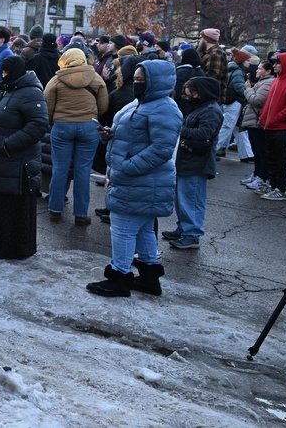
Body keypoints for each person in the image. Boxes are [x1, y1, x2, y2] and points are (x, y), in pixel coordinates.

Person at [87, 61, 181, 297]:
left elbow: (161, 149)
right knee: (143, 230)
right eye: (136, 79)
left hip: (142, 179)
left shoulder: (165, 108)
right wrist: (109, 135)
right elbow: (133, 136)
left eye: (142, 80)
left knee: (123, 230)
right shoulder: (139, 104)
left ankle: (119, 278)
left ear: (156, 82)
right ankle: (149, 278)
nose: (136, 83)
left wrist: (127, 167)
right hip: (137, 179)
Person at [0, 55, 49, 260]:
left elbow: (38, 125)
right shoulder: (5, 90)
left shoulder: (30, 93)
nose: (3, 75)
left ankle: (8, 247)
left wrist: (9, 144)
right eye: (2, 71)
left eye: (7, 72)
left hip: (16, 161)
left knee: (9, 206)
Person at [44, 48, 109, 225]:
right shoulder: (96, 78)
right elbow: (103, 106)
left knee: (59, 169)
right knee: (83, 170)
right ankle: (81, 214)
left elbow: (47, 105)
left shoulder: (57, 79)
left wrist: (52, 122)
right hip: (88, 127)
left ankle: (55, 210)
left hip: (62, 126)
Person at [160, 76, 222, 250]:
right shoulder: (203, 108)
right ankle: (184, 228)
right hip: (188, 160)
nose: (189, 96)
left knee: (192, 199)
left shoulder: (210, 111)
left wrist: (179, 129)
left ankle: (192, 234)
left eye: (192, 92)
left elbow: (204, 134)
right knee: (182, 199)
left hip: (197, 162)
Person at [257, 52, 286, 201]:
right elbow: (268, 103)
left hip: (281, 128)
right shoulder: (276, 81)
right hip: (269, 126)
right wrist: (263, 118)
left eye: (278, 63)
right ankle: (273, 184)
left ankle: (280, 188)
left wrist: (275, 119)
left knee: (281, 159)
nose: (275, 66)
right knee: (272, 158)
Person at [242, 60, 274, 193]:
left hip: (257, 122)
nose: (257, 70)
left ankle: (261, 177)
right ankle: (256, 175)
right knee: (256, 151)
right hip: (253, 121)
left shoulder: (268, 82)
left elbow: (258, 101)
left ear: (268, 71)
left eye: (260, 69)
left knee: (261, 151)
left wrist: (248, 90)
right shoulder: (262, 82)